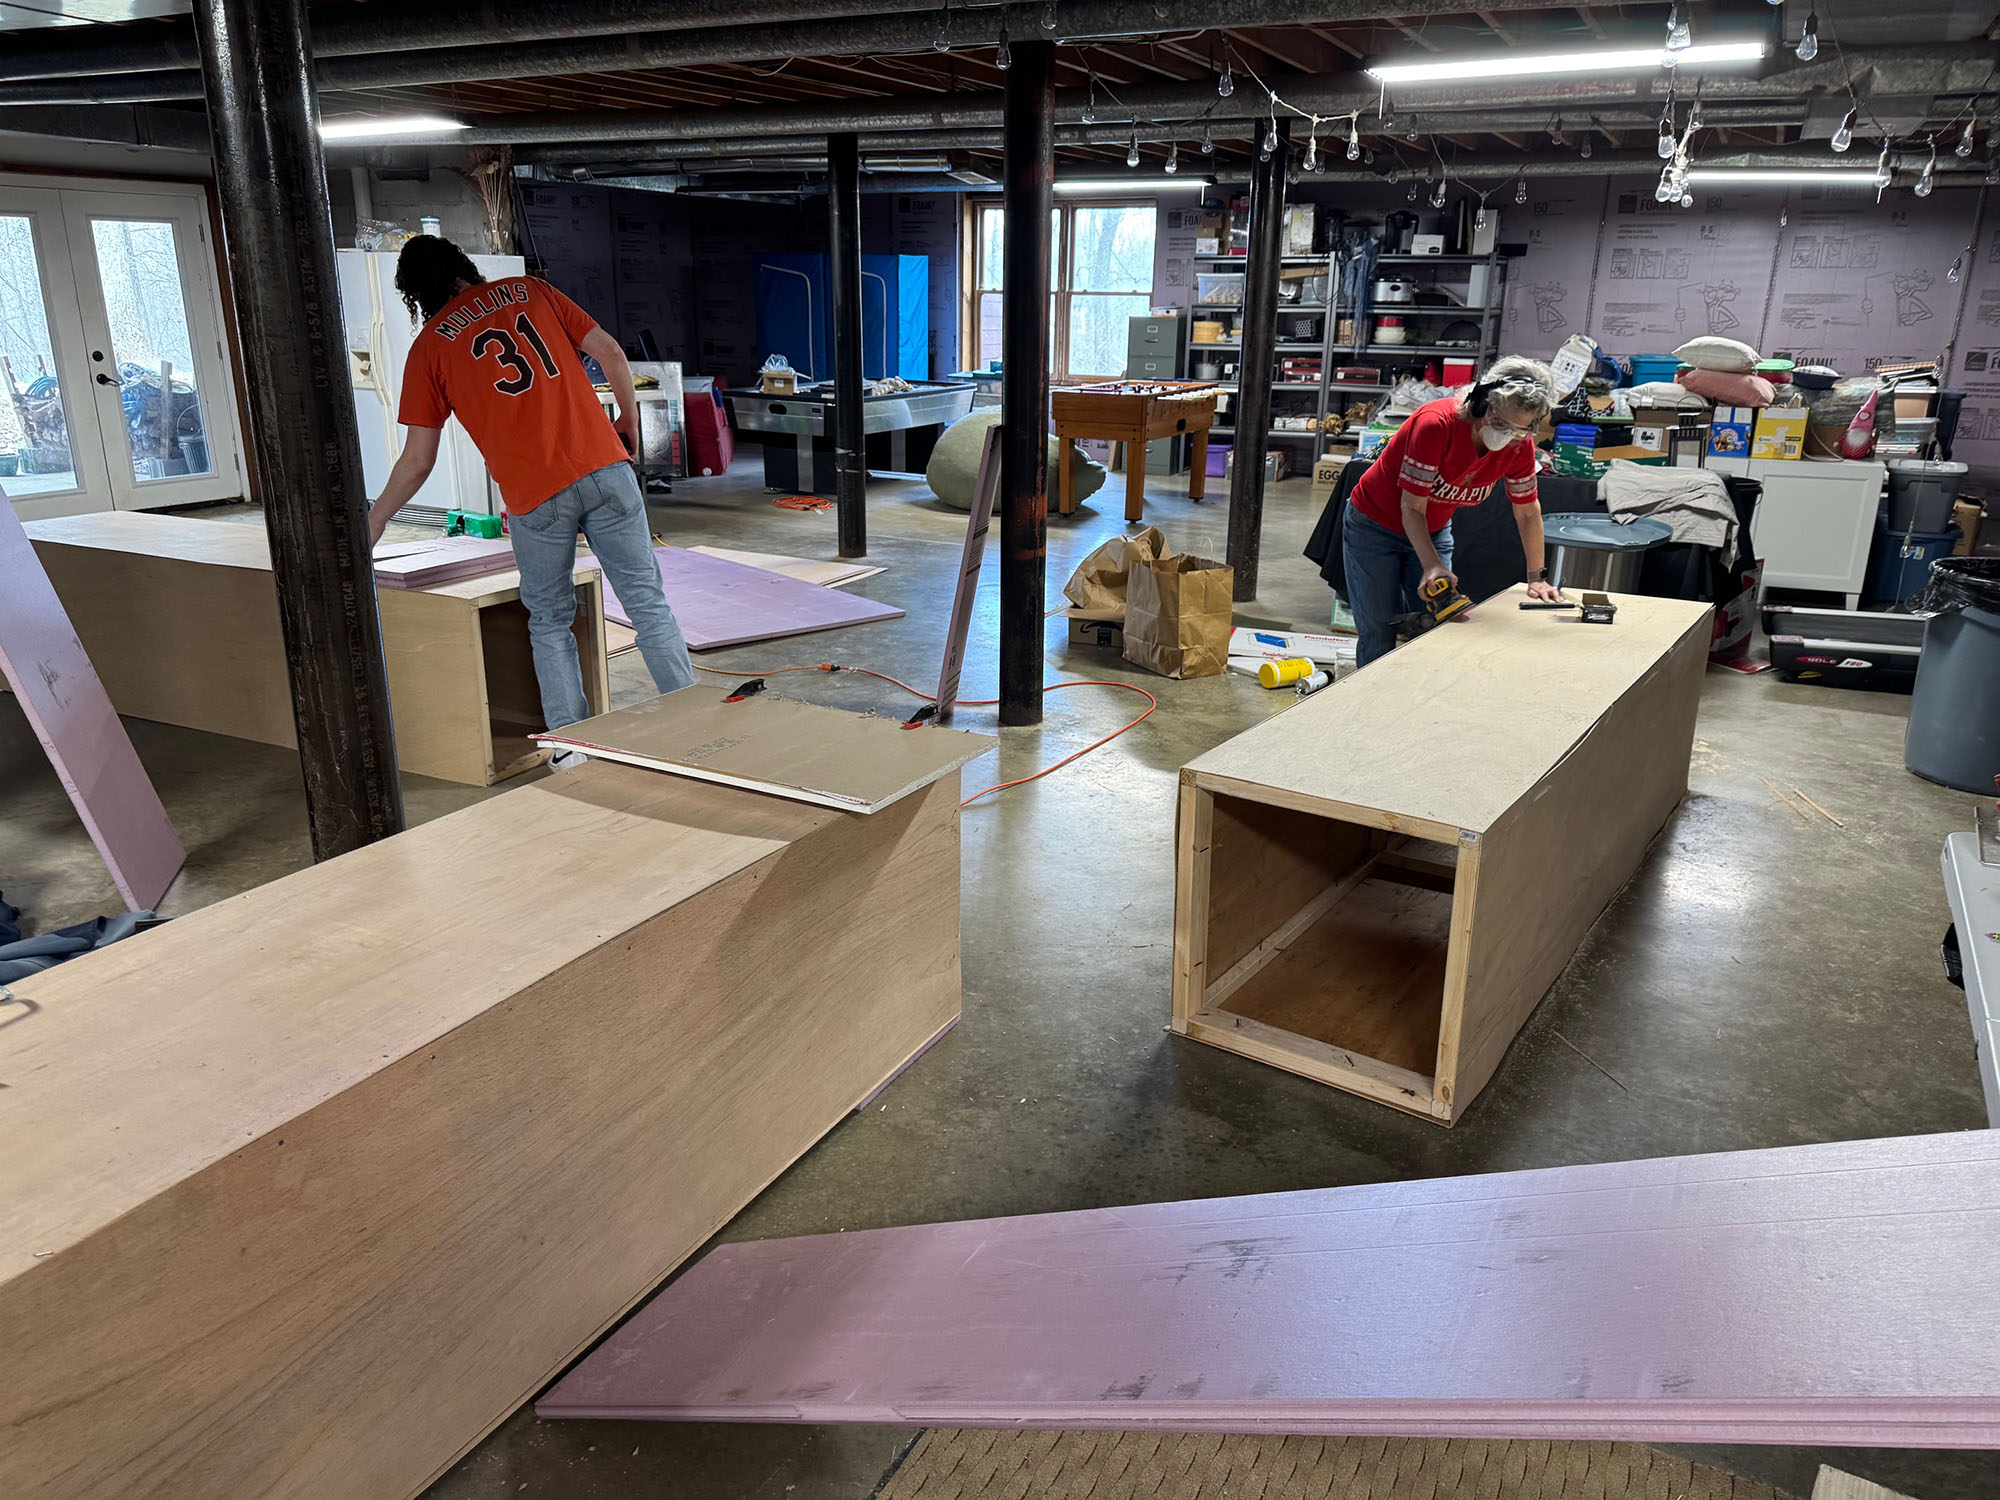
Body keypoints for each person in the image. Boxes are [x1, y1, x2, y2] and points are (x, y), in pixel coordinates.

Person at [366, 235, 694, 734]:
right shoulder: (531, 291)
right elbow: (610, 352)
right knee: (647, 602)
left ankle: (570, 743)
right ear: (463, 267)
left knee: (550, 620)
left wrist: (378, 517)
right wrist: (627, 421)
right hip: (605, 467)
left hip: (535, 496)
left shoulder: (429, 348)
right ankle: (698, 722)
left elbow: (417, 459)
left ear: (415, 293)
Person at [1342, 355, 1565, 667]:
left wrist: (1536, 578)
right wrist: (1432, 566)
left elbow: (1527, 512)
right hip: (1375, 525)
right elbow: (1412, 507)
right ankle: (1370, 705)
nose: (1507, 435)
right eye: (1500, 423)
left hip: (1433, 529)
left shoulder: (1518, 446)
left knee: (1440, 623)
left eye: (1520, 429)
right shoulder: (1436, 425)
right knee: (1380, 629)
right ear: (1480, 401)